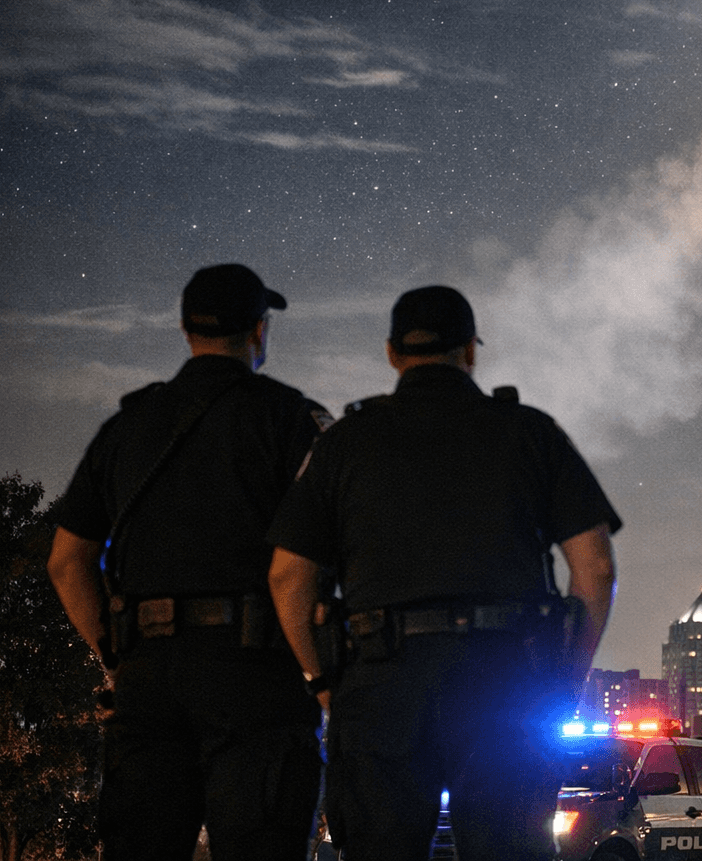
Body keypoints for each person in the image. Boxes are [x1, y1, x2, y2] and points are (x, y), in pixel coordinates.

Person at [266, 284, 621, 861]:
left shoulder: (344, 443)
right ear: (471, 351)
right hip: (507, 681)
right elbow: (596, 568)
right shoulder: (531, 433)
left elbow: (287, 578)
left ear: (392, 353)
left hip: (380, 685)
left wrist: (323, 682)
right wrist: (563, 679)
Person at [45, 263, 330, 860]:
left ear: (184, 329)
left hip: (147, 678)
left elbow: (68, 563)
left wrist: (116, 660)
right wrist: (321, 673)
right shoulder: (289, 419)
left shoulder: (125, 427)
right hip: (256, 679)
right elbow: (306, 562)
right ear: (259, 331)